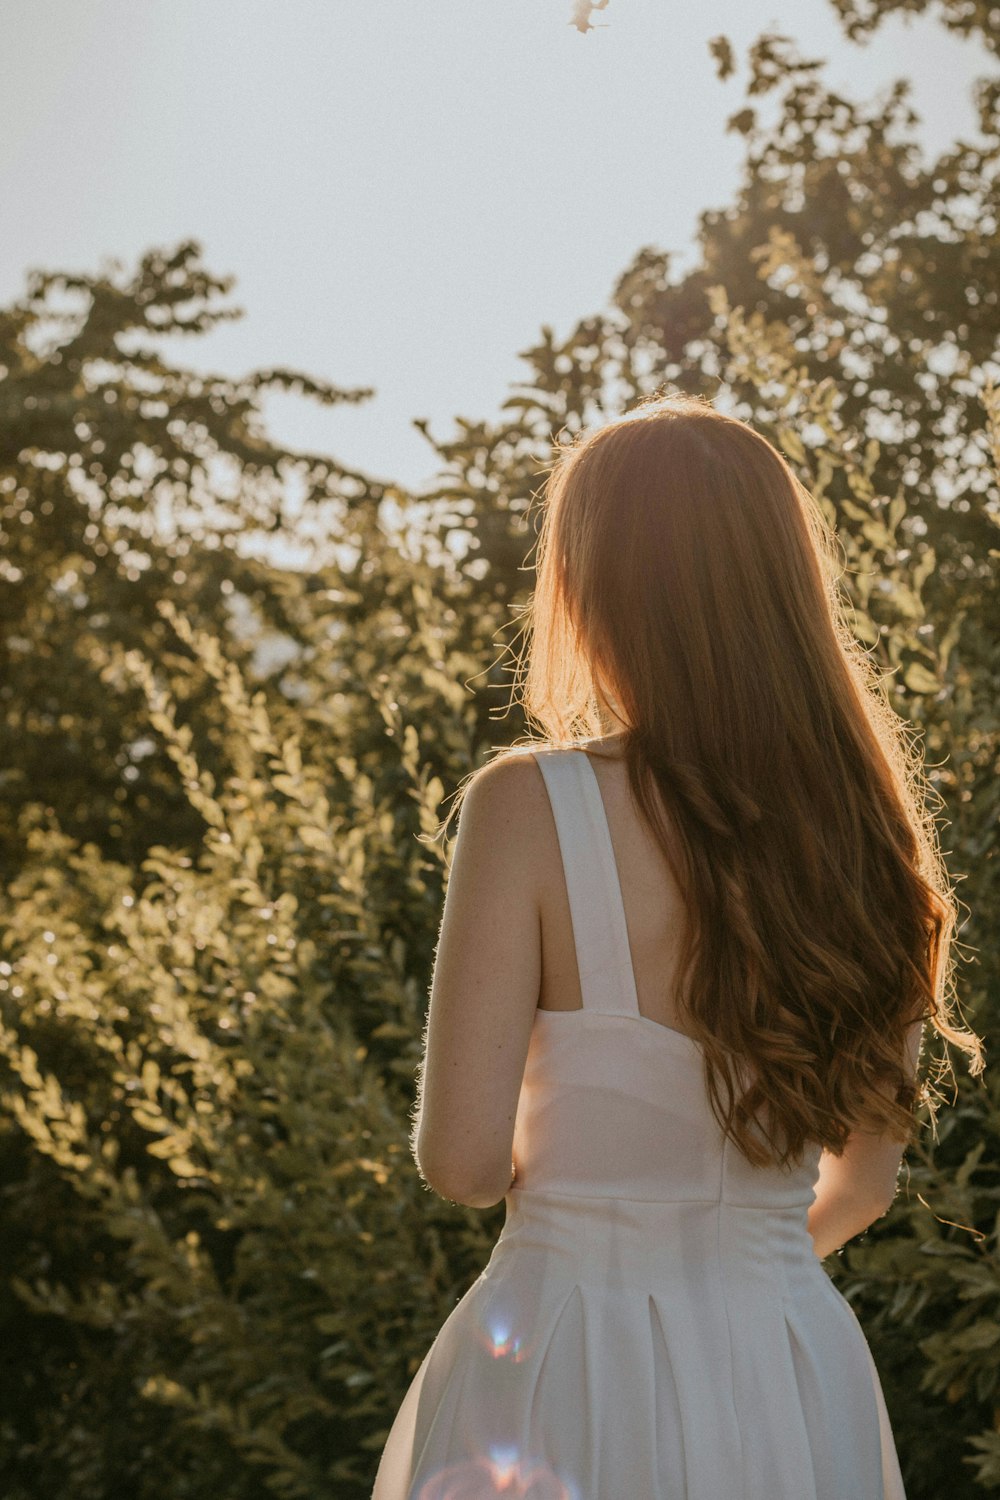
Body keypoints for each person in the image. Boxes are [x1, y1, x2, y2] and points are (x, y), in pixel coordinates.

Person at [371, 392, 985, 1500]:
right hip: (789, 1359)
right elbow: (866, 1183)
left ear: (594, 588)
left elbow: (460, 1163)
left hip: (563, 1354)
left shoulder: (528, 805)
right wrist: (723, 1271)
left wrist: (604, 1220)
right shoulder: (868, 835)